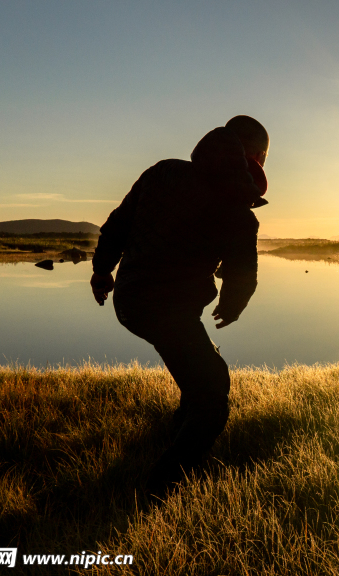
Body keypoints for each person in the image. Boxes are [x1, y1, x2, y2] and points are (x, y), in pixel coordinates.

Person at [89, 115, 269, 497]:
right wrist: (232, 304)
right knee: (212, 392)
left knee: (198, 368)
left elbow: (117, 226)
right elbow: (243, 274)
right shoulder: (238, 208)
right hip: (167, 311)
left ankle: (168, 438)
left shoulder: (163, 172)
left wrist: (102, 270)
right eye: (264, 157)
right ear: (253, 155)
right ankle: (159, 490)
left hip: (130, 301)